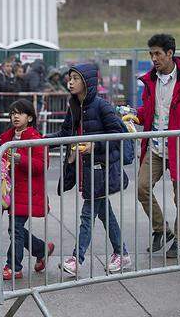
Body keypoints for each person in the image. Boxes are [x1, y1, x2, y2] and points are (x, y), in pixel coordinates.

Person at [126, 34, 180, 258]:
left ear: (170, 54)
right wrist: (135, 116)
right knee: (142, 188)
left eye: (158, 53)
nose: (154, 58)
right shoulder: (150, 80)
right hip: (156, 147)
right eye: (151, 54)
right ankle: (161, 230)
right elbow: (149, 109)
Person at [48, 63, 131, 275]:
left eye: (75, 78)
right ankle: (122, 253)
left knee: (87, 216)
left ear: (87, 82)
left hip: (101, 171)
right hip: (86, 172)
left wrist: (96, 145)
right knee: (106, 214)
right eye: (70, 78)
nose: (70, 82)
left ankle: (77, 258)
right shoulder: (74, 106)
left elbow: (118, 136)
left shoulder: (102, 106)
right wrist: (39, 142)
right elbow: (66, 134)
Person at [0, 99, 54, 280]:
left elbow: (41, 165)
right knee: (15, 229)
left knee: (15, 228)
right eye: (13, 113)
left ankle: (13, 266)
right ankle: (41, 249)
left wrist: (19, 159)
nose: (15, 116)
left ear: (29, 118)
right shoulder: (7, 137)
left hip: (28, 192)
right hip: (10, 191)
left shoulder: (35, 138)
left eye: (20, 113)